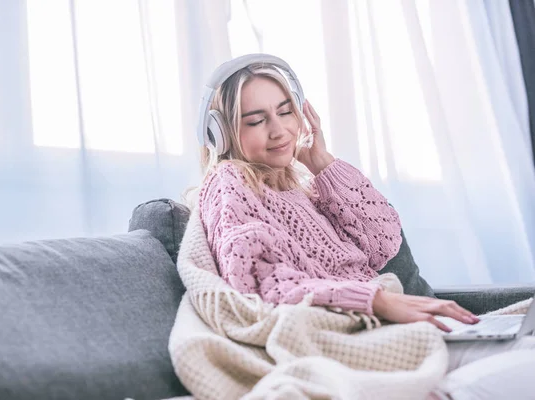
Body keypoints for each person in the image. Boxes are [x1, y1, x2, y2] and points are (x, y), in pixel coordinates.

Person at [195, 54, 535, 399]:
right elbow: (260, 283)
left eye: (285, 112)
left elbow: (383, 241)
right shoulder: (230, 181)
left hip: (383, 328)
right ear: (221, 134)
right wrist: (376, 300)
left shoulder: (302, 188)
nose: (280, 130)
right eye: (256, 121)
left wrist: (322, 164)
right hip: (355, 338)